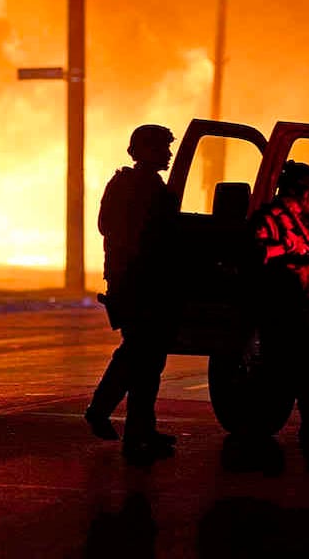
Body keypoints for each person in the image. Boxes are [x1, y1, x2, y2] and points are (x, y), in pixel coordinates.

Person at [85, 124, 180, 464]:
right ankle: (106, 413)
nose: (168, 154)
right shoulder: (136, 186)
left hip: (138, 282)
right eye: (162, 148)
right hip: (138, 284)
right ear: (145, 150)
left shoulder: (141, 184)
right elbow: (130, 234)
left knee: (145, 357)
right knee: (142, 355)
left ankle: (138, 431)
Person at [250, 160, 309, 472]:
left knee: (308, 377)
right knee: (281, 377)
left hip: (299, 309)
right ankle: (261, 438)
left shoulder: (300, 221)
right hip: (279, 310)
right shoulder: (271, 219)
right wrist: (287, 246)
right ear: (300, 192)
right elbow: (254, 253)